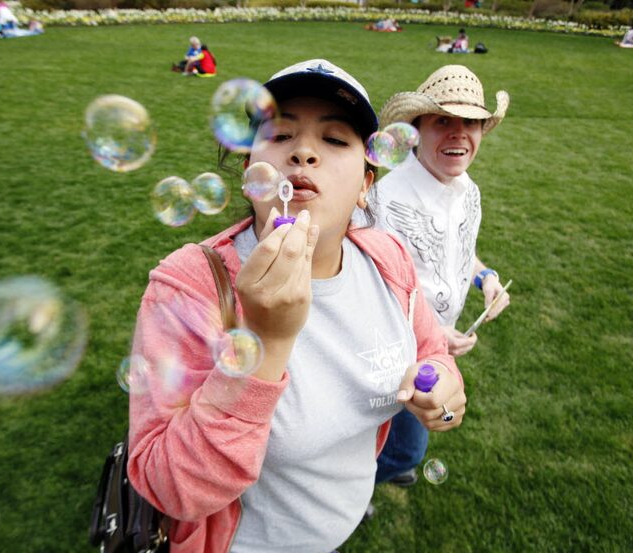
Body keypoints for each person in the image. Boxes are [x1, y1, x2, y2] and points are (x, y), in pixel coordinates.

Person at [126, 59, 466, 552]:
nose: (304, 153)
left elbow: (432, 349)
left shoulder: (387, 259)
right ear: (248, 172)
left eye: (334, 140)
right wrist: (266, 341)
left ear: (367, 182)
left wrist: (444, 380)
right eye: (282, 136)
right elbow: (168, 487)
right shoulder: (190, 285)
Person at [362, 65, 510, 489]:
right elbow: (372, 284)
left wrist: (487, 279)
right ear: (416, 130)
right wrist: (433, 330)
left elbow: (461, 252)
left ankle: (385, 461)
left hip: (431, 345)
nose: (458, 134)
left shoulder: (469, 189)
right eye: (442, 121)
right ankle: (360, 488)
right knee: (405, 445)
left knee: (398, 431)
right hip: (394, 343)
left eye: (471, 123)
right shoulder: (385, 200)